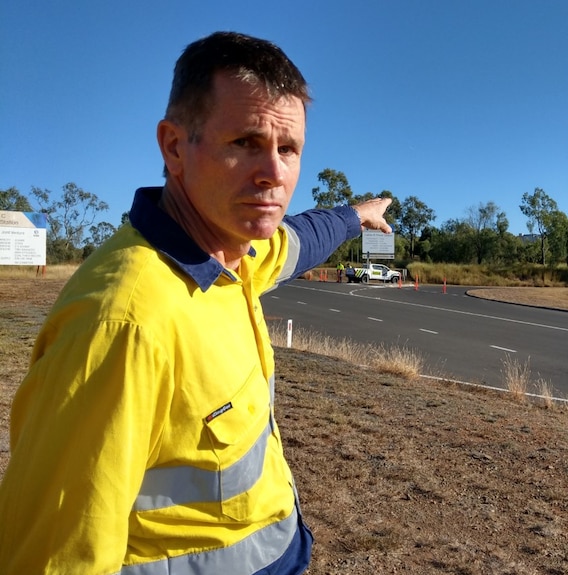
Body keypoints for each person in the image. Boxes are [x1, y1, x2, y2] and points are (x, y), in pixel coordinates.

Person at [0, 31, 391, 574]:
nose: (274, 174)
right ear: (175, 146)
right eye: (244, 143)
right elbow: (56, 556)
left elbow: (300, 240)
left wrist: (356, 215)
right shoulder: (124, 322)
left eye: (288, 149)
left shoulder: (238, 253)